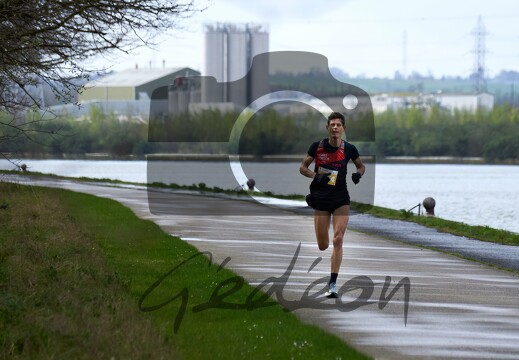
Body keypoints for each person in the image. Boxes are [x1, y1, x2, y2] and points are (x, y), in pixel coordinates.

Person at [299, 111, 366, 298]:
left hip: (340, 198)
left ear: (343, 129)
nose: (335, 128)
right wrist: (316, 176)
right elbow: (302, 167)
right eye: (332, 125)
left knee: (338, 239)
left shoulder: (350, 149)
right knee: (323, 245)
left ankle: (333, 284)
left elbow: (361, 166)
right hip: (321, 199)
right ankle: (331, 279)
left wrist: (357, 175)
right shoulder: (317, 147)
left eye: (339, 125)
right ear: (327, 128)